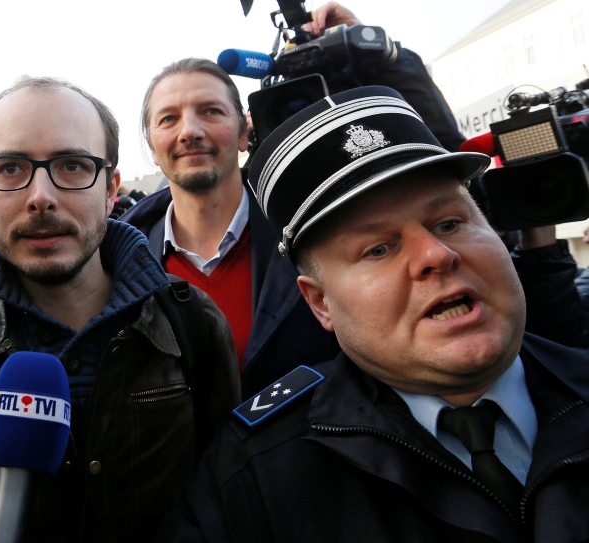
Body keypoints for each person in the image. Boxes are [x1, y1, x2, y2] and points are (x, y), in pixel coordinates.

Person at [146, 86, 589, 543]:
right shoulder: (253, 478)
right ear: (321, 304)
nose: (436, 255)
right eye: (378, 249)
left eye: (449, 223)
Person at [0, 77, 240, 543]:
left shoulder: (193, 324)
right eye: (10, 168)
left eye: (72, 166)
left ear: (110, 188)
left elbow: (228, 513)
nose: (40, 196)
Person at [120, 1, 465, 396]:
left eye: (211, 112)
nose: (190, 131)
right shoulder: (116, 261)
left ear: (244, 132)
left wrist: (385, 56)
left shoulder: (318, 226)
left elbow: (438, 173)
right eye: (169, 119)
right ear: (152, 146)